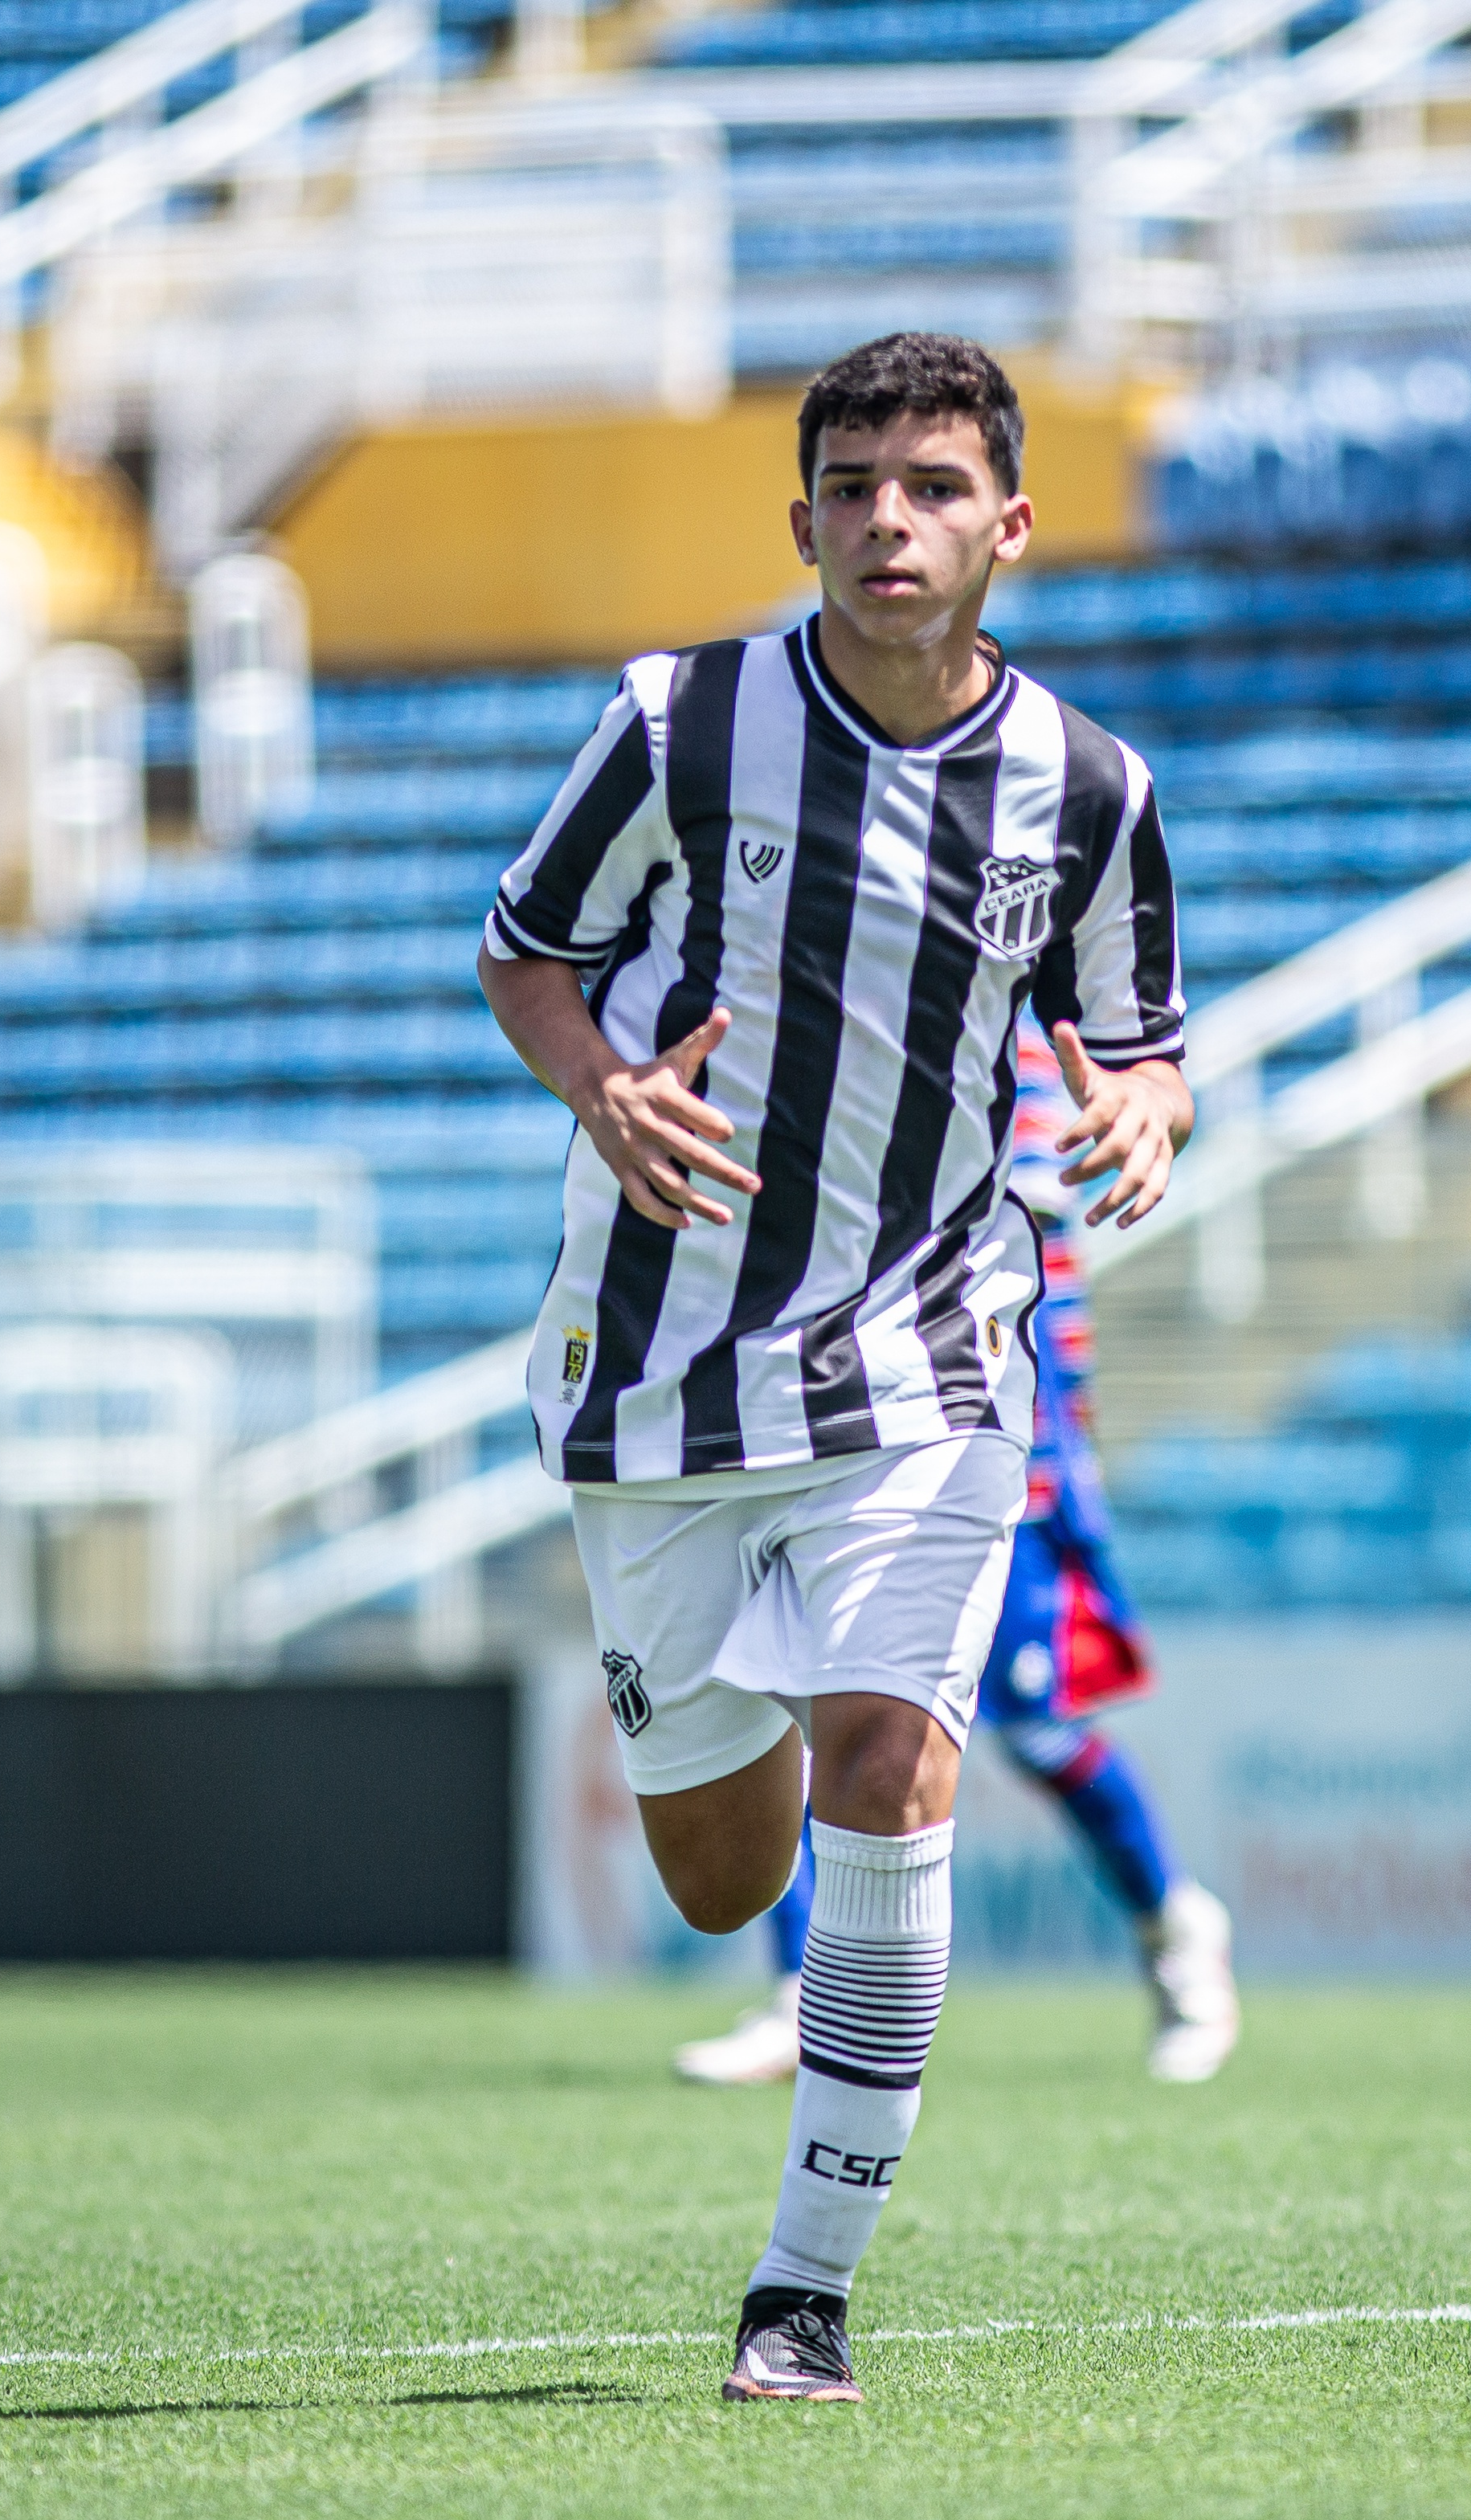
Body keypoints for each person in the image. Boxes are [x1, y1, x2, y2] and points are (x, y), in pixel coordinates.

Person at [476, 333, 1191, 2406]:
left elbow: (1132, 1028)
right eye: (855, 484)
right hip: (661, 1364)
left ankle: (800, 2295)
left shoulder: (1088, 786)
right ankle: (748, 1716)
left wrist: (1150, 1105)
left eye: (935, 485)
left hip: (928, 1347)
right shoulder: (674, 724)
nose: (893, 519)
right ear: (800, 520)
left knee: (890, 1760)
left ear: (1008, 525)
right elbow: (528, 947)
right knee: (719, 1880)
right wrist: (606, 1087)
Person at [673, 1017, 1240, 2089]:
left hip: (999, 1439)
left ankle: (1177, 1931)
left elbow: (1042, 1265)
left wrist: (1055, 1439)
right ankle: (806, 1991)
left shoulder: (1017, 1053)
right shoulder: (852, 1038)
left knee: (1038, 1727)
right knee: (815, 1715)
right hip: (857, 1438)